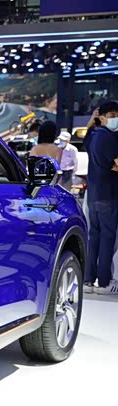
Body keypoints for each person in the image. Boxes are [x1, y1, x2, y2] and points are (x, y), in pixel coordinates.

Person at [83, 101, 118, 295]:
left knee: (94, 236)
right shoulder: (109, 138)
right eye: (112, 115)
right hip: (109, 195)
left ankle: (88, 280)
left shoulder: (93, 136)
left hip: (94, 194)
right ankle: (104, 282)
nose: (115, 119)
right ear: (102, 117)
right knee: (108, 238)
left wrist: (91, 123)